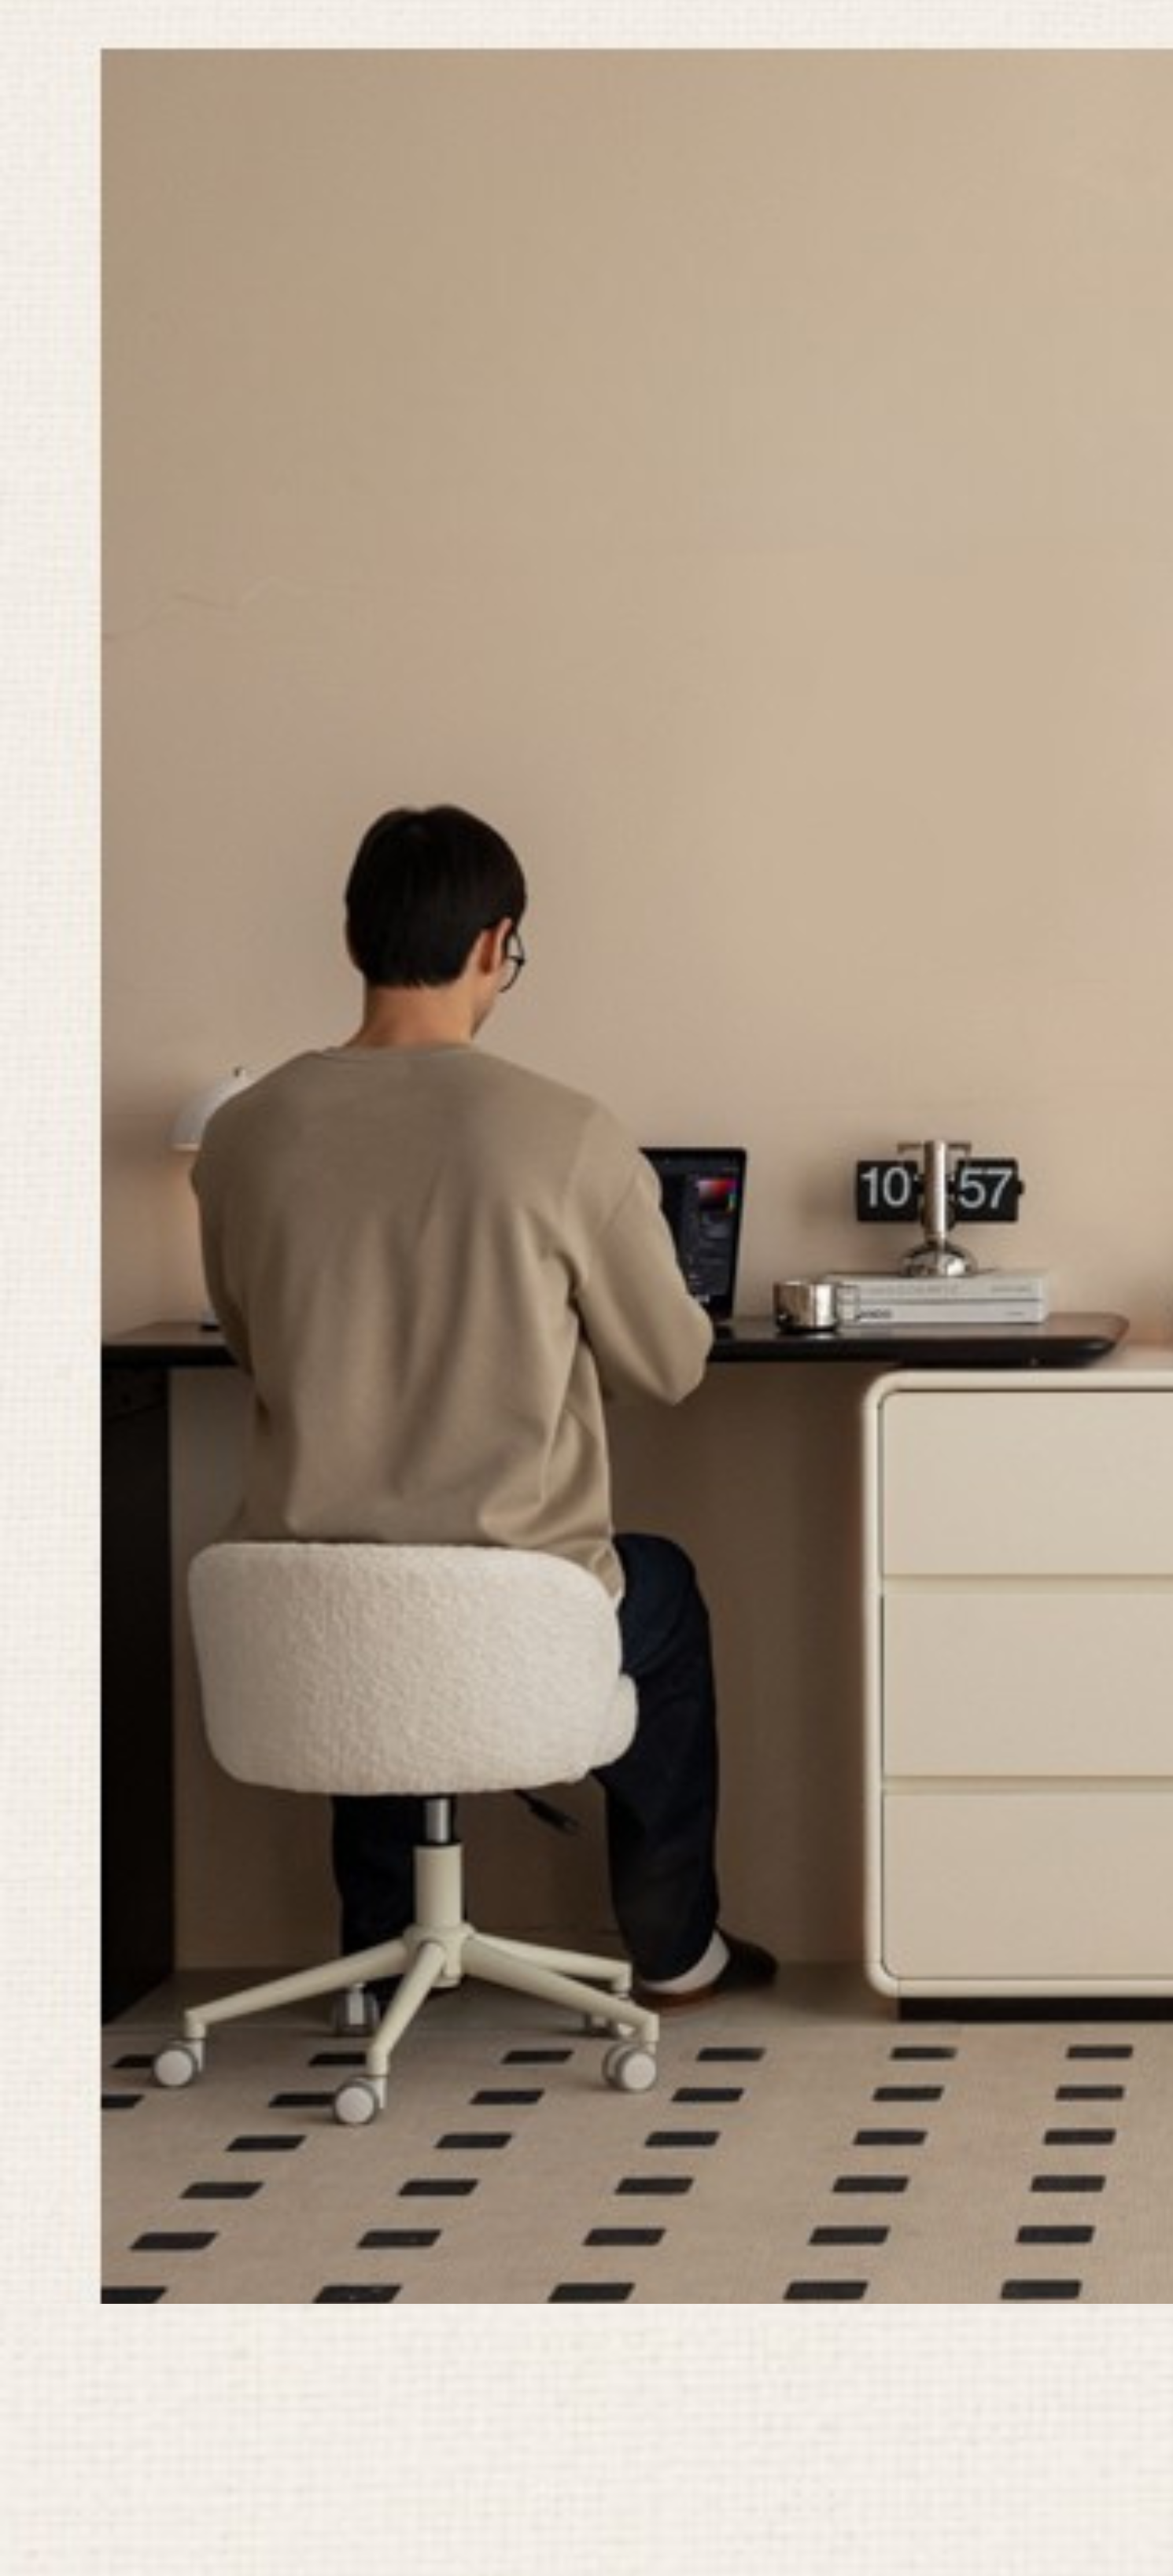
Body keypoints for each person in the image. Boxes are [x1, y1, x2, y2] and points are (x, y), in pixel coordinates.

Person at [192, 804, 775, 2011]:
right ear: (495, 943)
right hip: (514, 1603)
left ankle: (381, 1943)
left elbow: (254, 1342)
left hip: (313, 1612)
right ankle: (672, 1946)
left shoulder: (243, 1134)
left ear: (353, 935)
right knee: (658, 1590)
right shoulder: (559, 1130)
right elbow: (671, 1364)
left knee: (370, 1578)